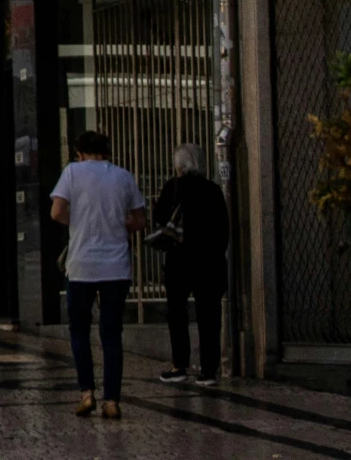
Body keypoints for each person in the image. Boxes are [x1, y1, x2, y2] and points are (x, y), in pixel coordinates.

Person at [51, 127, 148, 419]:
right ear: (107, 151)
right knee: (111, 334)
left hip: (81, 266)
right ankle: (112, 401)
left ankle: (86, 394)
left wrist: (78, 225)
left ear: (79, 153)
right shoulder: (123, 176)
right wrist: (118, 228)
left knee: (79, 330)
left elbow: (56, 212)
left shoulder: (72, 173)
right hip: (116, 266)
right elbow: (140, 219)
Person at [155, 142, 230, 388]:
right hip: (209, 262)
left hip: (179, 261)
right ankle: (209, 371)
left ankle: (180, 366)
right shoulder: (213, 190)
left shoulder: (172, 189)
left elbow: (159, 222)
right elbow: (223, 229)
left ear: (178, 165)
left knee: (177, 314)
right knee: (209, 315)